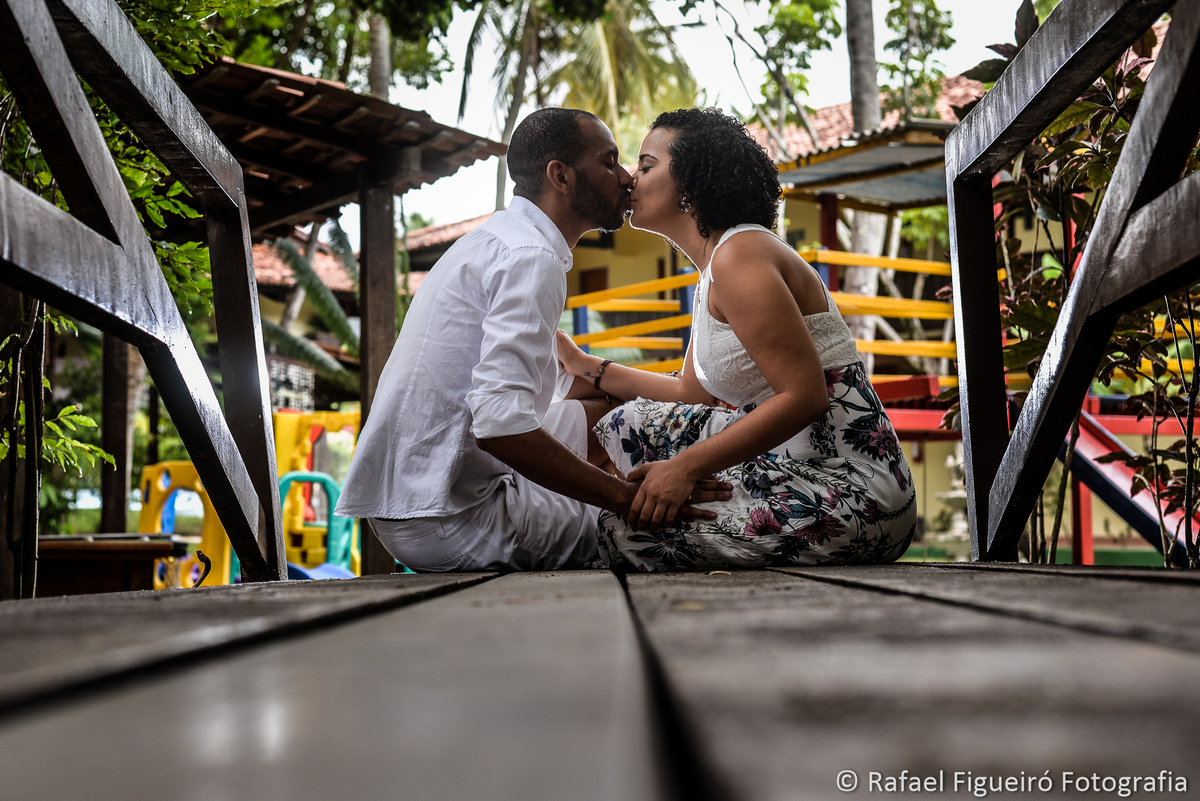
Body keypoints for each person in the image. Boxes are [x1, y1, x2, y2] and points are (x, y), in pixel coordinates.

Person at [334, 108, 732, 572]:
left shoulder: (502, 239)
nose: (626, 178)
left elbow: (569, 390)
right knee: (660, 529)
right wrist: (626, 497)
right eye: (610, 162)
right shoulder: (532, 258)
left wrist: (661, 405)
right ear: (560, 176)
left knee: (611, 417)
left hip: (422, 481)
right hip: (445, 514)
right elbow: (500, 426)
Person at [556, 108, 917, 571]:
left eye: (646, 166)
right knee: (629, 423)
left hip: (853, 489)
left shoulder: (740, 255)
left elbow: (805, 396)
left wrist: (684, 469)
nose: (629, 179)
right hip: (788, 469)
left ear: (692, 186)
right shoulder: (714, 268)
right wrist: (586, 365)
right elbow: (689, 394)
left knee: (625, 533)